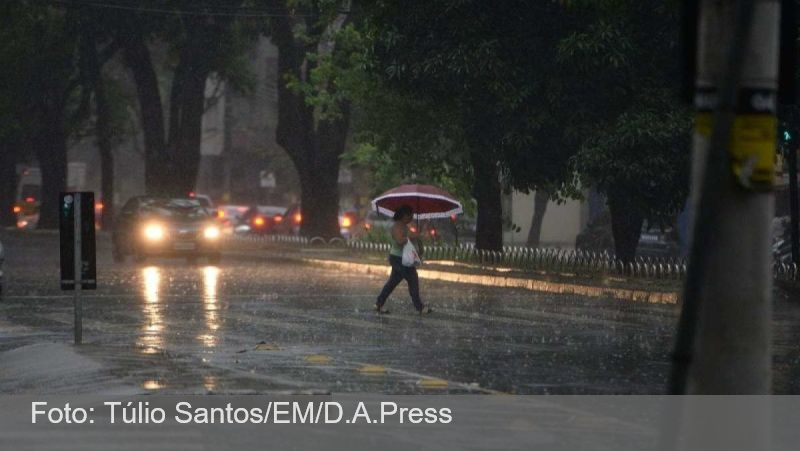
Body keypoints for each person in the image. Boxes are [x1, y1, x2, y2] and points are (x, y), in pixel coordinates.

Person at [375, 205, 432, 315]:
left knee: (392, 283)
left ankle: (379, 303)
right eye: (409, 215)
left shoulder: (404, 226)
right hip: (398, 259)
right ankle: (420, 307)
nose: (411, 217)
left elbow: (411, 238)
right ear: (403, 215)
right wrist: (409, 237)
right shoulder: (397, 226)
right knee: (412, 280)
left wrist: (417, 236)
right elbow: (400, 241)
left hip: (403, 259)